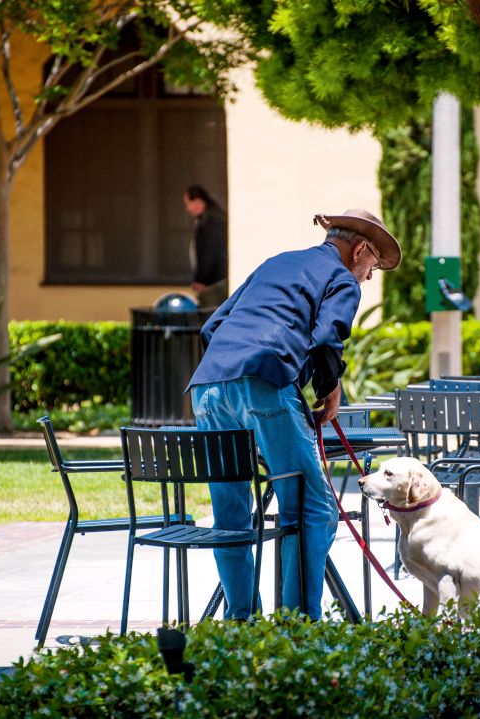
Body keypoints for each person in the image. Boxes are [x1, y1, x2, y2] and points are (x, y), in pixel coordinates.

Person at [187, 209, 401, 620]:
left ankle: (241, 622)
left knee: (230, 514)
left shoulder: (276, 262)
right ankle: (295, 629)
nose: (368, 277)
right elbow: (326, 337)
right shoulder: (341, 279)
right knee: (313, 508)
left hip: (207, 386)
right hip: (264, 380)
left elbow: (213, 327)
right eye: (372, 266)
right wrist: (330, 388)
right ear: (359, 250)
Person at [182, 185, 229, 307]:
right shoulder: (209, 216)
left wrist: (202, 280)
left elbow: (210, 251)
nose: (187, 209)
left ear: (198, 201)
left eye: (188, 204)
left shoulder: (211, 219)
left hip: (214, 282)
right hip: (214, 280)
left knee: (209, 315)